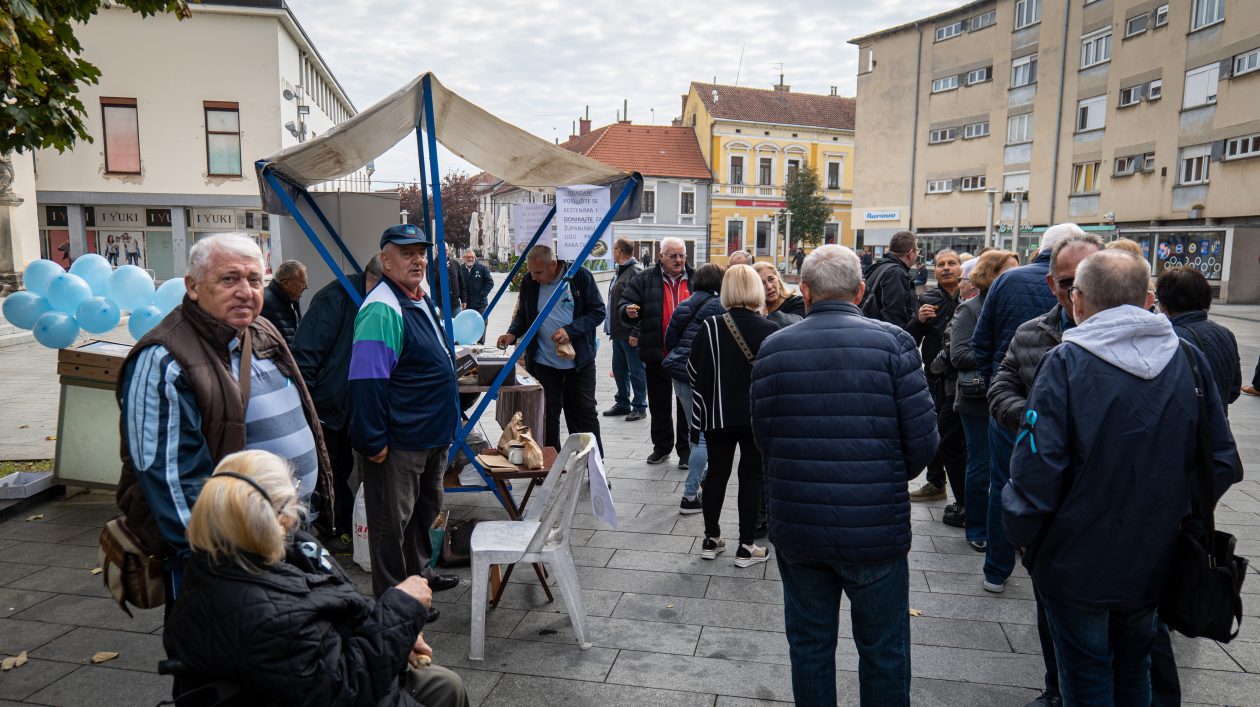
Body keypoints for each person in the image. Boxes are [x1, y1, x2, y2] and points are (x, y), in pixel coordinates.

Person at [1004, 249, 1238, 706]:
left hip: (1075, 559)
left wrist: (1026, 537)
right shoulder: (1187, 357)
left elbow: (1035, 466)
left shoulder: (1066, 361)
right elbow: (1221, 461)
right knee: (1136, 671)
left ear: (1079, 300)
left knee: (1085, 676)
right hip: (1155, 556)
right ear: (1146, 298)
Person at [751, 245, 938, 706]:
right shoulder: (894, 342)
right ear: (860, 290)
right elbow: (923, 441)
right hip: (874, 528)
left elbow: (764, 437)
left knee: (810, 646)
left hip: (800, 528)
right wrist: (886, 474)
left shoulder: (774, 347)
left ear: (806, 292)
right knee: (885, 649)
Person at [117, 233, 333, 595]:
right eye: (229, 278)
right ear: (193, 286)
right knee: (221, 646)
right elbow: (171, 484)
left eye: (254, 279)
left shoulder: (260, 329)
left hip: (286, 532)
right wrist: (225, 567)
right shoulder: (163, 360)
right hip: (227, 555)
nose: (246, 291)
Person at [164, 450, 468, 707]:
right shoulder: (264, 613)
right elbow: (344, 689)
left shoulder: (247, 552)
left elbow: (338, 599)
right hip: (339, 687)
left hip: (327, 666)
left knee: (446, 685)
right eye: (293, 492)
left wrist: (390, 625)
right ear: (276, 516)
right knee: (444, 689)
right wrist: (401, 609)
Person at [349, 224, 461, 600]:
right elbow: (366, 379)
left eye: (421, 252)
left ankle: (420, 584)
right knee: (390, 529)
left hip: (429, 437)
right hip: (399, 442)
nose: (418, 260)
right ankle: (395, 604)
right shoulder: (382, 306)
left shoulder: (419, 296)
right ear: (385, 259)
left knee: (421, 519)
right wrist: (372, 438)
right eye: (406, 252)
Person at [291, 255, 383, 553]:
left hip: (353, 406)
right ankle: (331, 530)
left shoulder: (372, 299)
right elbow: (304, 357)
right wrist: (314, 409)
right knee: (330, 471)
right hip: (329, 409)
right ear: (377, 279)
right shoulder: (336, 297)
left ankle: (343, 526)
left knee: (341, 467)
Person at [691, 264, 779, 567]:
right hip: (755, 417)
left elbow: (693, 370)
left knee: (717, 472)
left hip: (718, 415)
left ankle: (711, 539)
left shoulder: (711, 326)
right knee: (751, 476)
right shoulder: (771, 330)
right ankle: (747, 545)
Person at [943, 250, 1019, 553]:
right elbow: (958, 354)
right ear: (990, 274)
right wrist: (1002, 355)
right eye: (1007, 271)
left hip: (1009, 396)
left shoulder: (1010, 306)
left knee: (1007, 466)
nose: (1015, 277)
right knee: (981, 464)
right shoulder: (970, 309)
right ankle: (976, 527)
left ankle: (1004, 528)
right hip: (977, 399)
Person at [497, 245, 605, 454]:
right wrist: (512, 334)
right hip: (544, 362)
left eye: (538, 272)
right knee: (546, 415)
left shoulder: (579, 276)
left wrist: (570, 331)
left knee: (584, 414)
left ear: (553, 265)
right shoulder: (530, 282)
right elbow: (524, 315)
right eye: (531, 272)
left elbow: (598, 312)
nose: (534, 277)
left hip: (578, 363)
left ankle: (593, 466)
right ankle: (548, 464)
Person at [618, 237, 694, 466]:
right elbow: (625, 302)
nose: (678, 260)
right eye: (673, 255)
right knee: (659, 404)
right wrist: (627, 311)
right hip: (656, 351)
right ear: (661, 257)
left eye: (682, 255)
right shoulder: (644, 279)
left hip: (687, 356)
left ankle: (686, 451)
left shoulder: (696, 278)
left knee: (686, 404)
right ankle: (661, 448)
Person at [662, 263, 725, 514]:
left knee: (694, 430)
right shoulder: (721, 306)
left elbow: (669, 341)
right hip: (705, 376)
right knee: (703, 437)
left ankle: (701, 478)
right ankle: (689, 496)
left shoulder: (684, 304)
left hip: (680, 374)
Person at [907, 250, 965, 519]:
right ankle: (936, 482)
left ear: (961, 268)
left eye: (951, 263)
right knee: (935, 428)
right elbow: (910, 337)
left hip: (964, 377)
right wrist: (919, 321)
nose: (946, 268)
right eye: (940, 264)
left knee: (955, 433)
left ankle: (961, 490)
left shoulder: (971, 296)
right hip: (935, 376)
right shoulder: (928, 299)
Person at [1158, 266, 1242, 415]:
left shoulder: (1171, 338)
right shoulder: (1225, 333)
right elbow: (1234, 390)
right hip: (1218, 427)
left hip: (1185, 429)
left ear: (1164, 304)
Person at [604, 238, 648, 421]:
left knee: (636, 370)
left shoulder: (636, 272)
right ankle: (622, 402)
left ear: (620, 251)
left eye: (614, 249)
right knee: (620, 369)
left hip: (630, 332)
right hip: (618, 331)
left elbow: (643, 305)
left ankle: (639, 405)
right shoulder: (620, 270)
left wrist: (636, 332)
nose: (613, 252)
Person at [860, 230, 918, 329]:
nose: (917, 254)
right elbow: (894, 315)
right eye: (917, 250)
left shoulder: (881, 267)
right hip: (886, 338)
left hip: (872, 331)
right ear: (910, 253)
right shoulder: (895, 274)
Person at [261, 260, 308, 344]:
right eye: (302, 283)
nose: (305, 287)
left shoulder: (292, 300)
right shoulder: (265, 303)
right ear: (286, 283)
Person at [753, 262, 805, 327]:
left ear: (779, 280)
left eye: (771, 279)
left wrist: (764, 316)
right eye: (761, 284)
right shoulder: (753, 310)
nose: (769, 286)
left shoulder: (797, 303)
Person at [460, 249, 494, 315]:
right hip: (466, 304)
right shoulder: (460, 269)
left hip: (480, 304)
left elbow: (490, 283)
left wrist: (482, 294)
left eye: (472, 257)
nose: (470, 259)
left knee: (481, 323)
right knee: (468, 323)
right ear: (464, 258)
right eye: (468, 257)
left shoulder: (482, 268)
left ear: (475, 258)